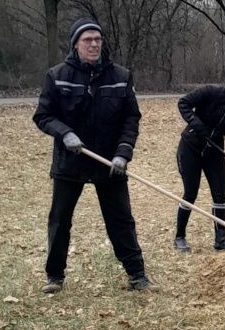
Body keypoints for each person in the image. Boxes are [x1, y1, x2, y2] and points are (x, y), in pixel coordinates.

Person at [32, 18, 150, 293]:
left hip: (109, 162)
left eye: (98, 39)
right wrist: (64, 133)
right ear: (76, 44)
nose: (94, 44)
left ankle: (137, 275)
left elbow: (130, 118)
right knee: (60, 218)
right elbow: (43, 115)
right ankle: (55, 276)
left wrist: (123, 153)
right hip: (69, 161)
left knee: (120, 219)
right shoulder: (57, 75)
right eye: (88, 40)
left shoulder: (120, 76)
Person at [172, 73, 225, 254]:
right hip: (191, 147)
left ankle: (221, 240)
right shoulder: (210, 92)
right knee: (190, 193)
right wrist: (198, 125)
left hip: (214, 150)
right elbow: (183, 103)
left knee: (219, 194)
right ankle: (180, 237)